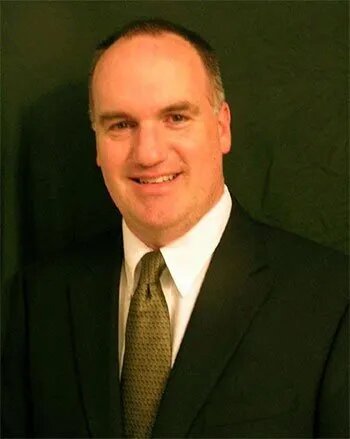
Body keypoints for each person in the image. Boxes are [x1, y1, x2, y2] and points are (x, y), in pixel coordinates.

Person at [2, 18, 348, 439]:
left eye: (176, 117)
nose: (148, 153)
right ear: (96, 142)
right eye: (121, 125)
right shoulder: (39, 301)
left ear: (222, 127)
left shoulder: (332, 301)